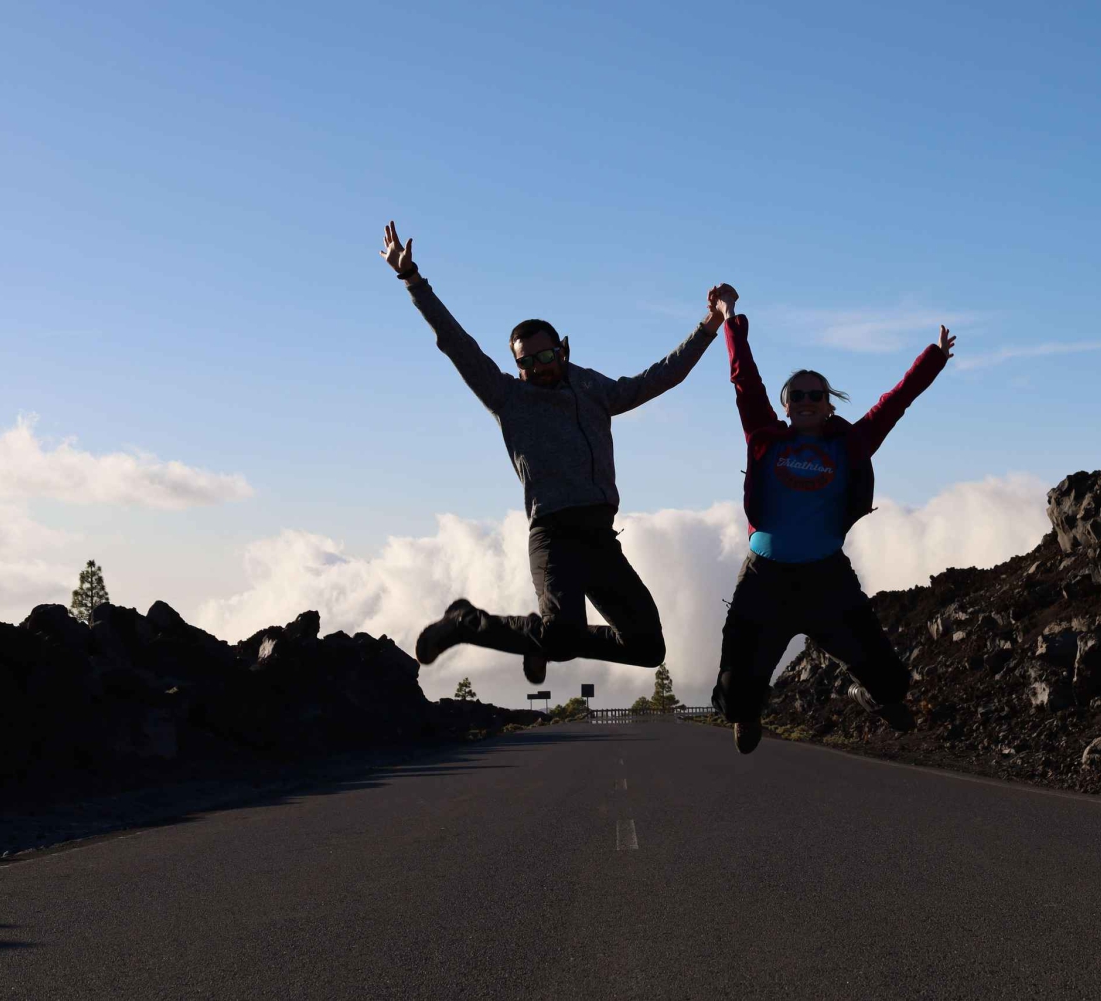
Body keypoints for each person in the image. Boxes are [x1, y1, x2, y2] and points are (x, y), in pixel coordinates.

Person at [379, 221, 732, 684]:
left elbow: (661, 376)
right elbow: (456, 344)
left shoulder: (593, 390)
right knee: (562, 635)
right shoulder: (508, 398)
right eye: (526, 362)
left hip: (599, 537)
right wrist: (412, 279)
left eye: (545, 357)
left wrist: (711, 324)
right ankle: (467, 622)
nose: (538, 368)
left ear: (561, 351)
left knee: (648, 647)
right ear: (517, 366)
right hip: (553, 535)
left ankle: (541, 638)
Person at [708, 284, 955, 753]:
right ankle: (747, 712)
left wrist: (934, 358)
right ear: (785, 405)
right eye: (797, 394)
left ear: (829, 404)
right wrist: (730, 316)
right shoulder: (765, 437)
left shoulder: (851, 444)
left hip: (827, 581)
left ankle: (872, 698)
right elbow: (744, 379)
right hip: (764, 580)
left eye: (815, 394)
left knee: (891, 681)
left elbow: (895, 402)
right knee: (735, 694)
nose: (806, 400)